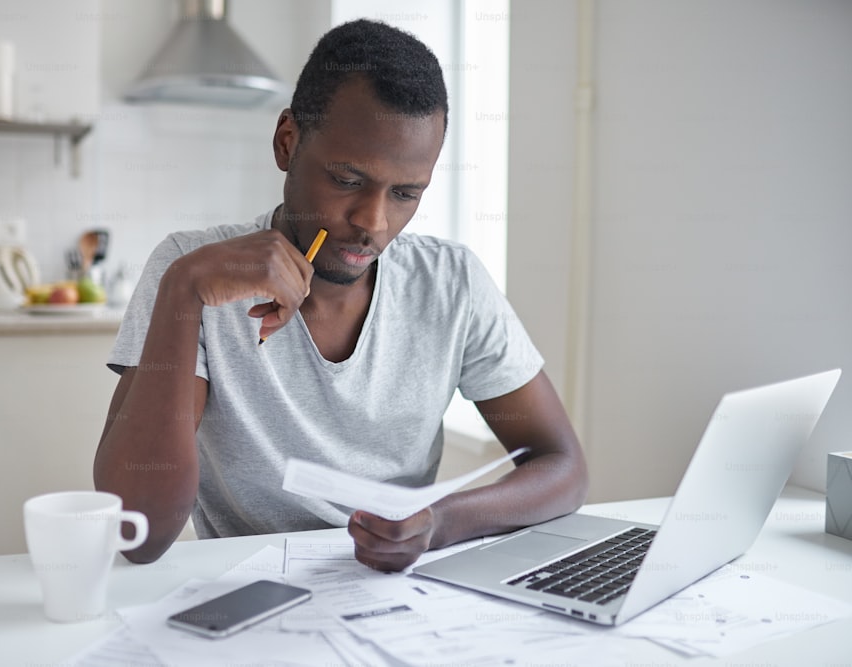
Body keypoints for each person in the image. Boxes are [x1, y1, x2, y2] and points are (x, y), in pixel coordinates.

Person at [94, 18, 588, 572]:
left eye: (405, 194)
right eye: (348, 180)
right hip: (247, 601)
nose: (372, 223)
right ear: (288, 142)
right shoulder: (192, 268)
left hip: (397, 596)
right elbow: (138, 533)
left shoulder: (452, 282)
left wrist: (441, 520)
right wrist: (183, 292)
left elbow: (562, 466)